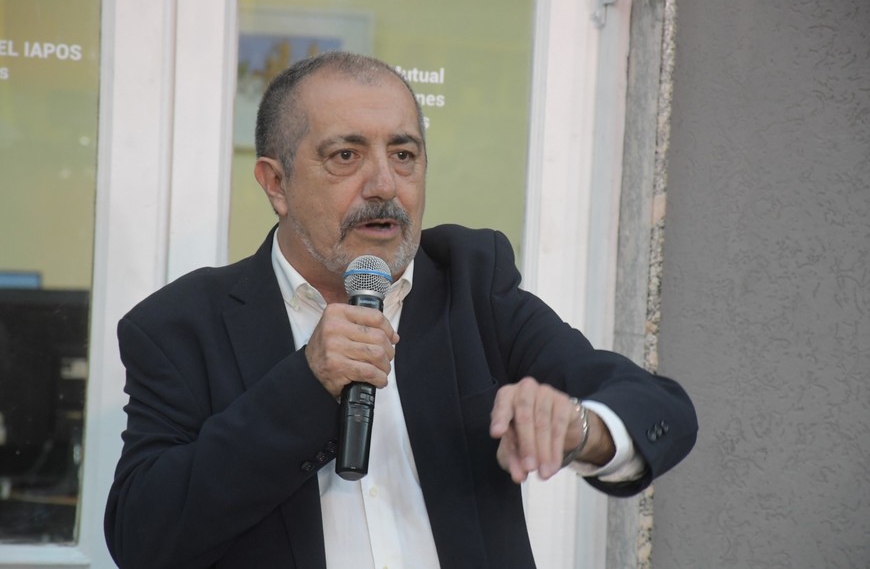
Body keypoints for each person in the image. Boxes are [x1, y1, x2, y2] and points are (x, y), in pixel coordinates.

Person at [104, 51, 697, 569]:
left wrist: (582, 429)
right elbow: (142, 537)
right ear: (276, 183)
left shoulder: (470, 284)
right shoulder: (181, 327)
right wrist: (306, 384)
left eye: (404, 154)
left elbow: (658, 408)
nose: (385, 185)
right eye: (346, 155)